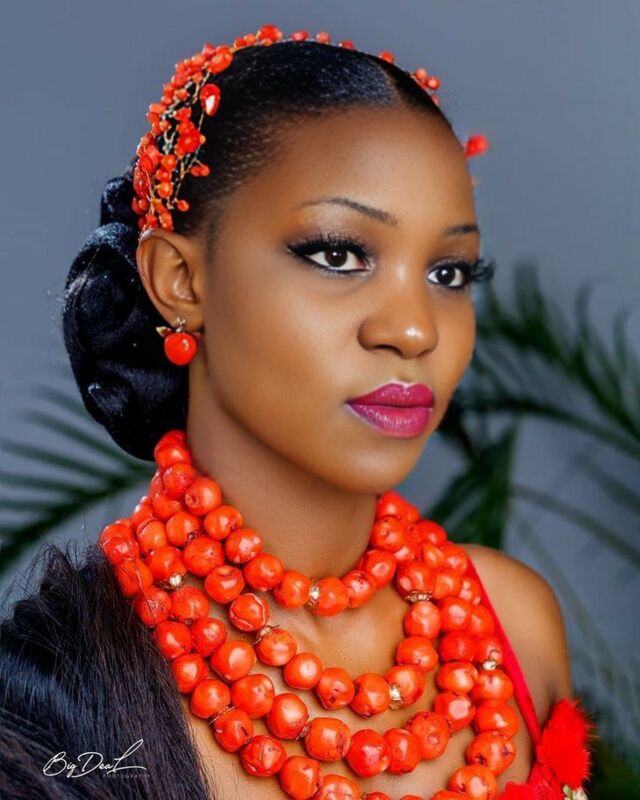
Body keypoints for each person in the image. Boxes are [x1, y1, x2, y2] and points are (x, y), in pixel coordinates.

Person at [0, 23, 594, 800]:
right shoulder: (59, 699)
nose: (414, 329)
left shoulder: (512, 622)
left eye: (449, 271)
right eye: (338, 254)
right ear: (180, 280)